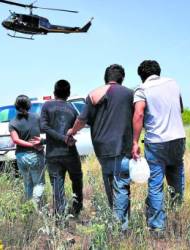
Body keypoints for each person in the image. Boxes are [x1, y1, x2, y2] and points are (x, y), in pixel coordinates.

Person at [68, 64, 133, 230]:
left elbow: (81, 120)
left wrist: (72, 131)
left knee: (111, 185)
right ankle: (122, 227)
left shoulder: (93, 94)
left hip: (102, 149)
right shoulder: (129, 94)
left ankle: (119, 223)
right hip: (122, 147)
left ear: (105, 78)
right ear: (122, 78)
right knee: (122, 186)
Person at [132, 60, 186, 232]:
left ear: (141, 76)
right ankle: (177, 213)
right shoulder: (173, 83)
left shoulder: (142, 89)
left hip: (156, 141)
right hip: (178, 138)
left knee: (155, 184)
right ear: (158, 71)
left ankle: (157, 226)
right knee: (176, 175)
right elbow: (181, 109)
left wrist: (135, 141)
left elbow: (139, 113)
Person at [40, 79, 83, 216]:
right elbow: (76, 127)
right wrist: (66, 137)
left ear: (54, 92)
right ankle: (76, 209)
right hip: (70, 152)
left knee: (57, 183)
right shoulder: (72, 108)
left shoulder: (46, 106)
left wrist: (61, 137)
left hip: (53, 154)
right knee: (77, 179)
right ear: (68, 93)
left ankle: (60, 215)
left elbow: (44, 127)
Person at [9, 95, 45, 206]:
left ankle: (29, 209)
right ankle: (35, 205)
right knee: (39, 184)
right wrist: (34, 145)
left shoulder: (13, 122)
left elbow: (15, 140)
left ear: (16, 106)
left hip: (21, 157)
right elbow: (46, 131)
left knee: (28, 184)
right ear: (29, 105)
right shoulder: (36, 117)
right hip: (35, 155)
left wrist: (28, 144)